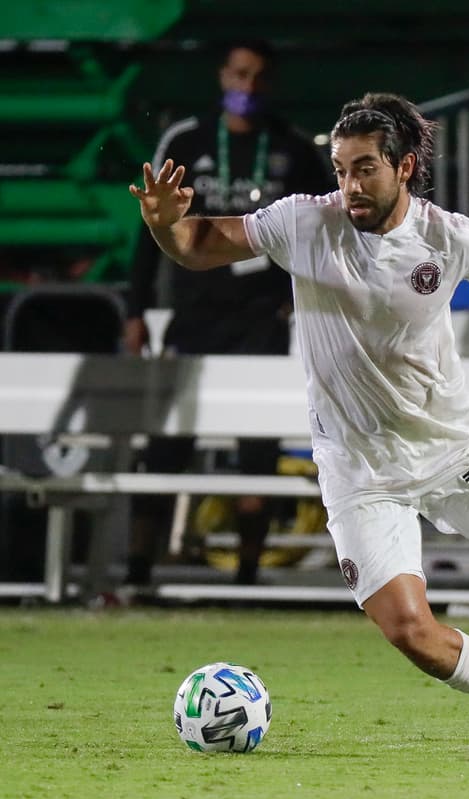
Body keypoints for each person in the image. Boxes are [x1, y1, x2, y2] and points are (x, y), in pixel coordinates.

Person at [129, 91, 469, 744]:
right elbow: (197, 245)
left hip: (449, 449)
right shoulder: (302, 223)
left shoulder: (448, 237)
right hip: (358, 469)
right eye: (339, 169)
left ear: (405, 166)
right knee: (411, 634)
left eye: (364, 167)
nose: (349, 185)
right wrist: (165, 225)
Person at [123, 40, 333, 588]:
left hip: (262, 319)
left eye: (259, 77)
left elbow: (323, 234)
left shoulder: (291, 147)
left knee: (256, 448)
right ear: (222, 76)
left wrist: (300, 300)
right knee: (167, 443)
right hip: (193, 315)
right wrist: (135, 308)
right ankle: (139, 568)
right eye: (239, 74)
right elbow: (150, 231)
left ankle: (246, 576)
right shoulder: (187, 139)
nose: (248, 87)